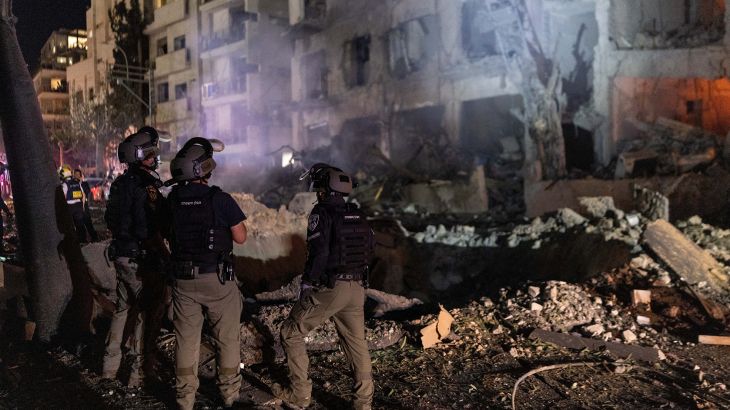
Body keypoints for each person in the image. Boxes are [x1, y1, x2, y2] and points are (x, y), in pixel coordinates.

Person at [273, 163, 375, 410]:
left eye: (319, 187)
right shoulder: (358, 214)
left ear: (324, 190)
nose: (317, 191)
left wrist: (308, 282)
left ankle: (300, 394)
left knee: (291, 331)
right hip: (357, 288)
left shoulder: (322, 213)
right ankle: (363, 403)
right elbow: (370, 249)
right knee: (356, 343)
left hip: (331, 288)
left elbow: (319, 254)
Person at [165, 138, 247, 409]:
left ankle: (184, 399)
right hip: (217, 280)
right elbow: (241, 237)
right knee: (227, 338)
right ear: (203, 169)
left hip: (183, 280)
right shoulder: (219, 199)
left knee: (186, 341)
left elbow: (165, 233)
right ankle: (229, 396)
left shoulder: (172, 200)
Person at [102, 127, 169, 387]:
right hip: (140, 260)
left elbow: (110, 220)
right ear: (141, 156)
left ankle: (109, 368)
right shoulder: (146, 186)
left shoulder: (119, 184)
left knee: (122, 310)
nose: (155, 157)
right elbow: (149, 228)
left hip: (120, 255)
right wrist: (164, 255)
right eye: (151, 153)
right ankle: (137, 374)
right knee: (144, 314)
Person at [59, 164, 88, 243]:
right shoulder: (77, 183)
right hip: (78, 206)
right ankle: (83, 240)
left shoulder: (65, 184)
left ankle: (72, 241)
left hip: (70, 207)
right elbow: (83, 195)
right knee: (80, 224)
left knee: (69, 225)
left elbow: (63, 197)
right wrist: (82, 206)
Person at [74, 168, 99, 242]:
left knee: (88, 224)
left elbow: (87, 191)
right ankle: (83, 240)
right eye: (75, 175)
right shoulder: (73, 185)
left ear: (81, 175)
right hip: (77, 209)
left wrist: (81, 183)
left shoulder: (84, 184)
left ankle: (94, 238)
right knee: (79, 226)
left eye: (78, 175)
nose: (77, 176)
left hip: (85, 208)